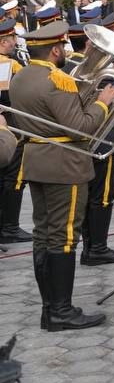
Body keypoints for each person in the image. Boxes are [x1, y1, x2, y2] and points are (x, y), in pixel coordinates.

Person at [10, 20, 114, 331]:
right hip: (64, 165)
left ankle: (50, 308)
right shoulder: (58, 81)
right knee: (64, 236)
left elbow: (55, 115)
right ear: (56, 49)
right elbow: (80, 128)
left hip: (37, 160)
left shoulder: (22, 76)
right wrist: (102, 102)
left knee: (44, 234)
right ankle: (61, 310)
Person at [65, 25, 114, 268]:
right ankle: (97, 248)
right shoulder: (96, 72)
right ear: (90, 45)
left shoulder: (69, 68)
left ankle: (91, 246)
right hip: (99, 139)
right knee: (102, 196)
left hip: (84, 141)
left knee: (88, 195)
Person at [0, 19, 29, 245]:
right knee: (14, 176)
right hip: (12, 125)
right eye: (11, 39)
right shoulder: (10, 66)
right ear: (3, 41)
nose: (14, 43)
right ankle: (10, 226)